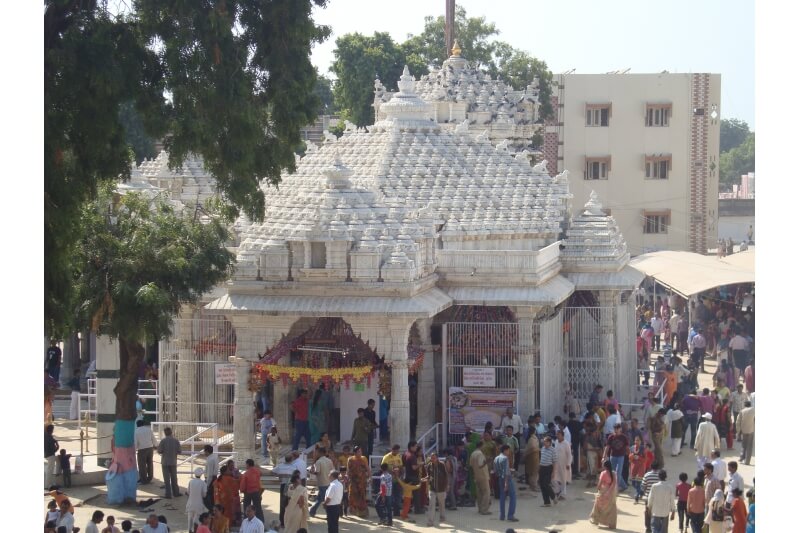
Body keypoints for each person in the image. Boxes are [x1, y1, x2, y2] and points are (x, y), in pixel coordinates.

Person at [589, 460, 618, 529]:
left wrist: (598, 489)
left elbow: (600, 483)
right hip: (611, 492)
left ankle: (596, 520)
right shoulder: (614, 473)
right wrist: (609, 492)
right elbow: (614, 484)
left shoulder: (603, 473)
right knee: (611, 508)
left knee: (598, 506)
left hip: (603, 490)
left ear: (605, 466)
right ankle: (612, 524)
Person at [494, 444, 518, 522]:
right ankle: (510, 515)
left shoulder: (496, 458)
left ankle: (502, 516)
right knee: (513, 497)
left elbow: (496, 471)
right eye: (508, 450)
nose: (509, 452)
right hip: (507, 479)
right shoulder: (505, 458)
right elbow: (506, 472)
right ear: (505, 450)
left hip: (500, 478)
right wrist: (506, 483)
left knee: (502, 497)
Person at [157, 426, 181, 498]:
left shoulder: (163, 441)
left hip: (165, 462)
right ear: (171, 432)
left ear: (165, 433)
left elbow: (159, 451)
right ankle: (176, 493)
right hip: (173, 461)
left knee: (166, 479)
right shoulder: (176, 441)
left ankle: (168, 494)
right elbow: (179, 451)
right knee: (174, 478)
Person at [310, 447, 334, 518]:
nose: (316, 454)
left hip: (322, 483)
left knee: (324, 500)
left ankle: (329, 514)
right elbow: (332, 471)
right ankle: (312, 511)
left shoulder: (318, 462)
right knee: (320, 498)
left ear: (320, 453)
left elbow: (317, 472)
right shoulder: (329, 460)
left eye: (317, 452)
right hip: (329, 482)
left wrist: (311, 472)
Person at [426, 452, 449, 526]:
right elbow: (428, 476)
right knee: (431, 505)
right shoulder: (429, 465)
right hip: (432, 488)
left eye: (434, 458)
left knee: (441, 504)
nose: (432, 459)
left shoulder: (442, 465)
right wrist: (425, 479)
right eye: (431, 458)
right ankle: (430, 521)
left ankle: (442, 516)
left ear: (437, 458)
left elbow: (446, 476)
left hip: (441, 488)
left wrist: (447, 486)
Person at [604, 423, 629, 491]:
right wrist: (604, 456)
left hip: (621, 456)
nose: (616, 430)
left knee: (618, 472)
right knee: (612, 472)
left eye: (617, 428)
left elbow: (627, 447)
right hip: (613, 456)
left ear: (620, 429)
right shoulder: (611, 437)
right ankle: (624, 486)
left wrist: (628, 456)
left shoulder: (624, 437)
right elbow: (607, 447)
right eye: (615, 428)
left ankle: (615, 488)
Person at [346, 445, 369, 518]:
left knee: (362, 496)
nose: (360, 453)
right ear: (355, 453)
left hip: (362, 481)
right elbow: (348, 470)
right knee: (352, 495)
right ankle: (353, 510)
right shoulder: (350, 459)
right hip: (353, 480)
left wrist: (370, 477)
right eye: (359, 451)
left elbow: (367, 468)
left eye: (361, 451)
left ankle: (362, 512)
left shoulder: (364, 458)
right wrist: (347, 478)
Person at [469, 443, 492, 515]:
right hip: (483, 475)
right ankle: (484, 510)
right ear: (481, 446)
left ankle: (480, 508)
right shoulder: (480, 454)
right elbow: (480, 465)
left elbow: (471, 465)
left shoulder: (473, 454)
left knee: (479, 493)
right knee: (486, 493)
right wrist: (487, 462)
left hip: (476, 475)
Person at [381, 444, 404, 515]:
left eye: (397, 450)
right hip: (389, 480)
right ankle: (388, 512)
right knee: (389, 496)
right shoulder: (386, 457)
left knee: (398, 496)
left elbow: (401, 467)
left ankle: (396, 512)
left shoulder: (398, 456)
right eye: (395, 450)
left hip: (398, 479)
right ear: (392, 450)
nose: (396, 451)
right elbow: (382, 467)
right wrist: (391, 472)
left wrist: (401, 474)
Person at [187, 467, 208, 533]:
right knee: (196, 520)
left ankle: (189, 530)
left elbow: (188, 492)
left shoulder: (191, 481)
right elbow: (204, 495)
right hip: (199, 504)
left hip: (190, 503)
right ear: (201, 475)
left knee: (190, 518)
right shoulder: (203, 483)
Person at [135, 419, 156, 485]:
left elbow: (135, 443)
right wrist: (156, 445)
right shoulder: (149, 430)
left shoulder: (136, 431)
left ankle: (143, 480)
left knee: (142, 465)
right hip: (150, 448)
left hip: (142, 449)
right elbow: (153, 439)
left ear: (137, 425)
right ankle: (149, 478)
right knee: (150, 463)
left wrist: (134, 449)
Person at [629, 435, 649, 503]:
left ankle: (636, 497)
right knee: (633, 483)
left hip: (640, 468)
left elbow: (645, 459)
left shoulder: (643, 449)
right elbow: (629, 458)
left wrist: (639, 458)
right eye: (635, 440)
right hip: (633, 467)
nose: (636, 442)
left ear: (641, 441)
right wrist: (632, 456)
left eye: (638, 440)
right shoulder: (632, 448)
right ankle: (641, 492)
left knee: (638, 483)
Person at [539, 436, 558, 507]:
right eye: (544, 441)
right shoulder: (543, 448)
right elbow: (541, 458)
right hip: (542, 468)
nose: (544, 443)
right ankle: (547, 502)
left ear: (550, 442)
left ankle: (553, 497)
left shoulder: (553, 450)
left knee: (546, 484)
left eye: (546, 442)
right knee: (542, 485)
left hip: (548, 468)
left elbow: (555, 462)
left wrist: (553, 472)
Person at [522, 426, 541, 492]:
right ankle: (534, 486)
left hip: (530, 457)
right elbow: (533, 448)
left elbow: (528, 448)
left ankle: (531, 485)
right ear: (534, 431)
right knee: (534, 472)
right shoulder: (533, 438)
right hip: (534, 457)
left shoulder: (530, 438)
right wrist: (538, 449)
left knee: (531, 472)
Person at [736, 401, 754, 465]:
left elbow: (738, 422)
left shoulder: (742, 411)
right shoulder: (754, 410)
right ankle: (747, 461)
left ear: (744, 405)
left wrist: (738, 431)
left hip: (743, 430)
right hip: (751, 430)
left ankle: (742, 457)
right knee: (749, 446)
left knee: (744, 445)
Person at [45, 424, 60, 489]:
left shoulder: (46, 435)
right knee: (49, 470)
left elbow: (51, 439)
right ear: (52, 430)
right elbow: (53, 450)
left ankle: (51, 483)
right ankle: (48, 485)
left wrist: (55, 441)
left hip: (46, 454)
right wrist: (57, 447)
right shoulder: (49, 438)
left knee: (50, 468)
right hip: (50, 455)